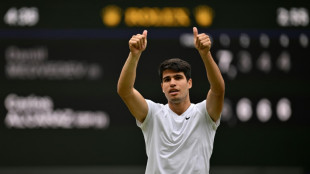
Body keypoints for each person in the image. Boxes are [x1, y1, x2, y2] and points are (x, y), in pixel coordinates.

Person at [117, 27, 225, 174]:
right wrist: (134, 55)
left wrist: (205, 54)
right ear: (162, 87)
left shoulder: (204, 113)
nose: (172, 83)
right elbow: (125, 91)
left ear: (189, 83)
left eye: (178, 77)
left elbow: (218, 90)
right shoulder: (153, 114)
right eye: (167, 79)